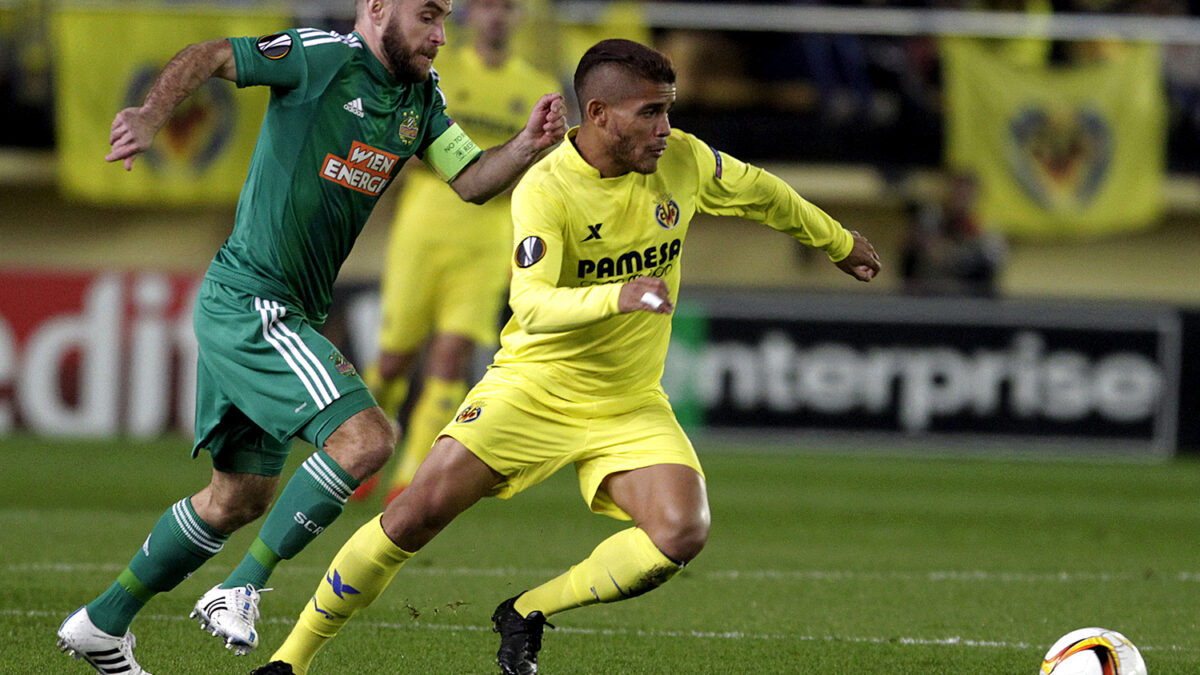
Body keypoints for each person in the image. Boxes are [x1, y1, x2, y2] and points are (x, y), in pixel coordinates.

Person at [250, 38, 881, 675]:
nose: (666, 129)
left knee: (681, 531)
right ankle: (290, 661)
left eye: (668, 110)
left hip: (627, 401)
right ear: (599, 113)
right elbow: (533, 303)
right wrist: (619, 296)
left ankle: (526, 610)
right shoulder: (547, 189)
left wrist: (836, 240)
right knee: (413, 514)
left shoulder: (684, 161)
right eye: (650, 114)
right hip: (534, 387)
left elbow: (764, 193)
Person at [54, 0, 566, 672]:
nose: (441, 35)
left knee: (237, 497)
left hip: (279, 307)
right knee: (368, 439)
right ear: (378, 7)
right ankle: (240, 586)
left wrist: (526, 147)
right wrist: (152, 115)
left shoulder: (420, 98)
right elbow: (210, 54)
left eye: (445, 20)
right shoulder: (321, 56)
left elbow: (470, 180)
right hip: (254, 300)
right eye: (428, 17)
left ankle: (102, 621)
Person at [356, 0, 560, 507]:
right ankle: (360, 452)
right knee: (395, 357)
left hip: (489, 237)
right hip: (424, 227)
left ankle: (409, 479)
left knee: (452, 356)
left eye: (507, 8)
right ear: (471, 15)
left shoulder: (536, 87)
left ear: (518, 18)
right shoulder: (437, 74)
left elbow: (548, 168)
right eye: (488, 6)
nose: (497, 16)